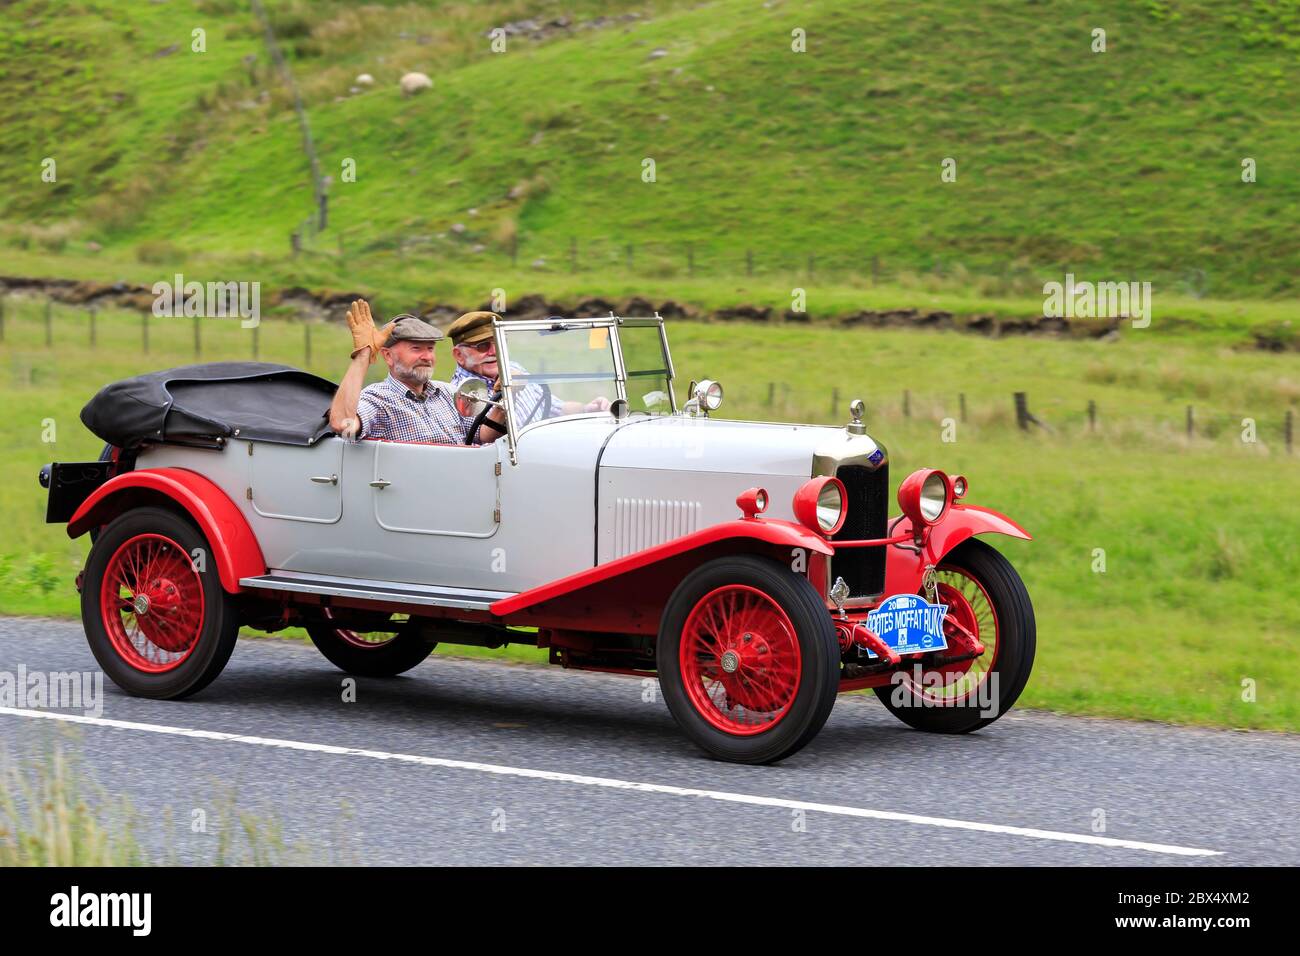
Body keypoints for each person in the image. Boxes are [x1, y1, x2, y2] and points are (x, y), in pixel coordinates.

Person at [328, 301, 506, 444]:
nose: (427, 356)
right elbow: (342, 424)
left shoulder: (448, 392)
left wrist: (504, 397)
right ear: (388, 356)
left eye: (430, 348)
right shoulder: (378, 398)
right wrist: (363, 356)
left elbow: (483, 435)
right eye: (416, 348)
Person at [446, 311, 611, 427]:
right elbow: (481, 442)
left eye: (498, 342)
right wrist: (507, 394)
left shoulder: (514, 368)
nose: (494, 352)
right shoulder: (458, 393)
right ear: (459, 355)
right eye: (483, 346)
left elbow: (554, 407)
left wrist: (587, 409)